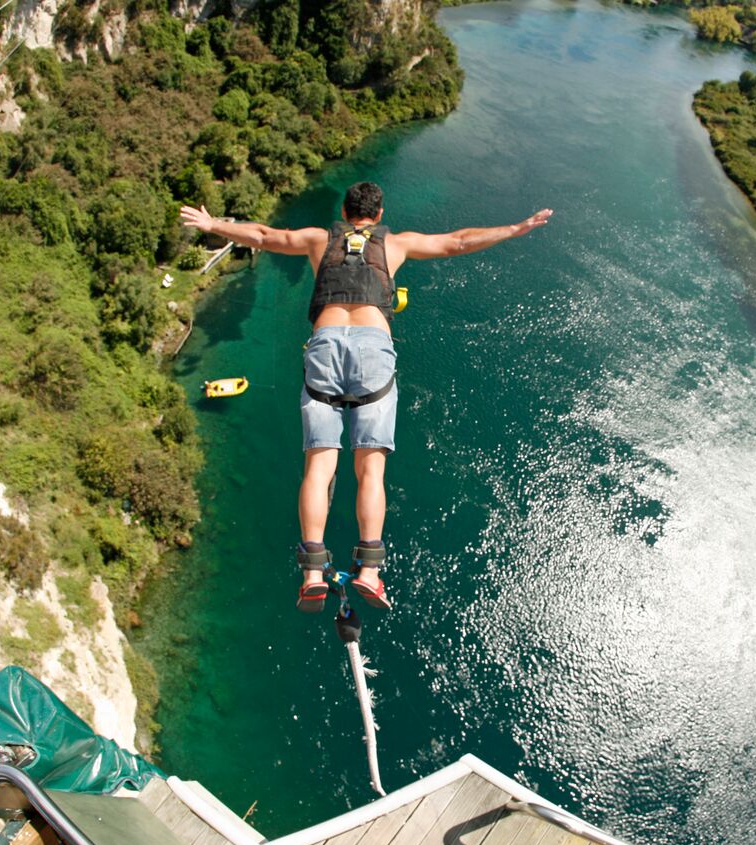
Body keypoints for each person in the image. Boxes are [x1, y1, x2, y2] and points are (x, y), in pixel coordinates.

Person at [180, 183, 552, 612]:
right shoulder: (395, 244)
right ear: (379, 213)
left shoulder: (320, 239)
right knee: (370, 469)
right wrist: (514, 228)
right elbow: (457, 242)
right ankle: (370, 573)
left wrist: (214, 224)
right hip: (373, 348)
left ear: (344, 211)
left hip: (325, 344)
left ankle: (312, 575)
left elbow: (264, 236)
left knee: (319, 467)